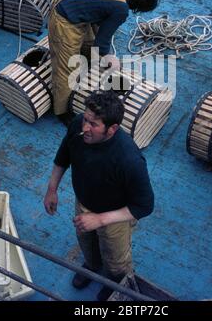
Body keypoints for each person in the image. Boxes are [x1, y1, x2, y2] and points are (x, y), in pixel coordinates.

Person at [44, 90, 154, 301]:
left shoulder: (129, 159)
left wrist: (100, 219)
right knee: (86, 242)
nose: (85, 128)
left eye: (93, 124)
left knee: (116, 261)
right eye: (86, 119)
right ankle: (93, 267)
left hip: (114, 215)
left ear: (112, 129)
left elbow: (144, 206)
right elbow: (63, 157)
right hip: (84, 203)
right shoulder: (78, 125)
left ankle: (115, 283)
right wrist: (51, 189)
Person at [48, 0, 159, 125]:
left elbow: (97, 18)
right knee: (67, 69)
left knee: (89, 45)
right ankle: (62, 111)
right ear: (140, 5)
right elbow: (102, 43)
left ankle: (87, 68)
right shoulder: (121, 9)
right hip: (64, 18)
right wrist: (110, 58)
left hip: (69, 5)